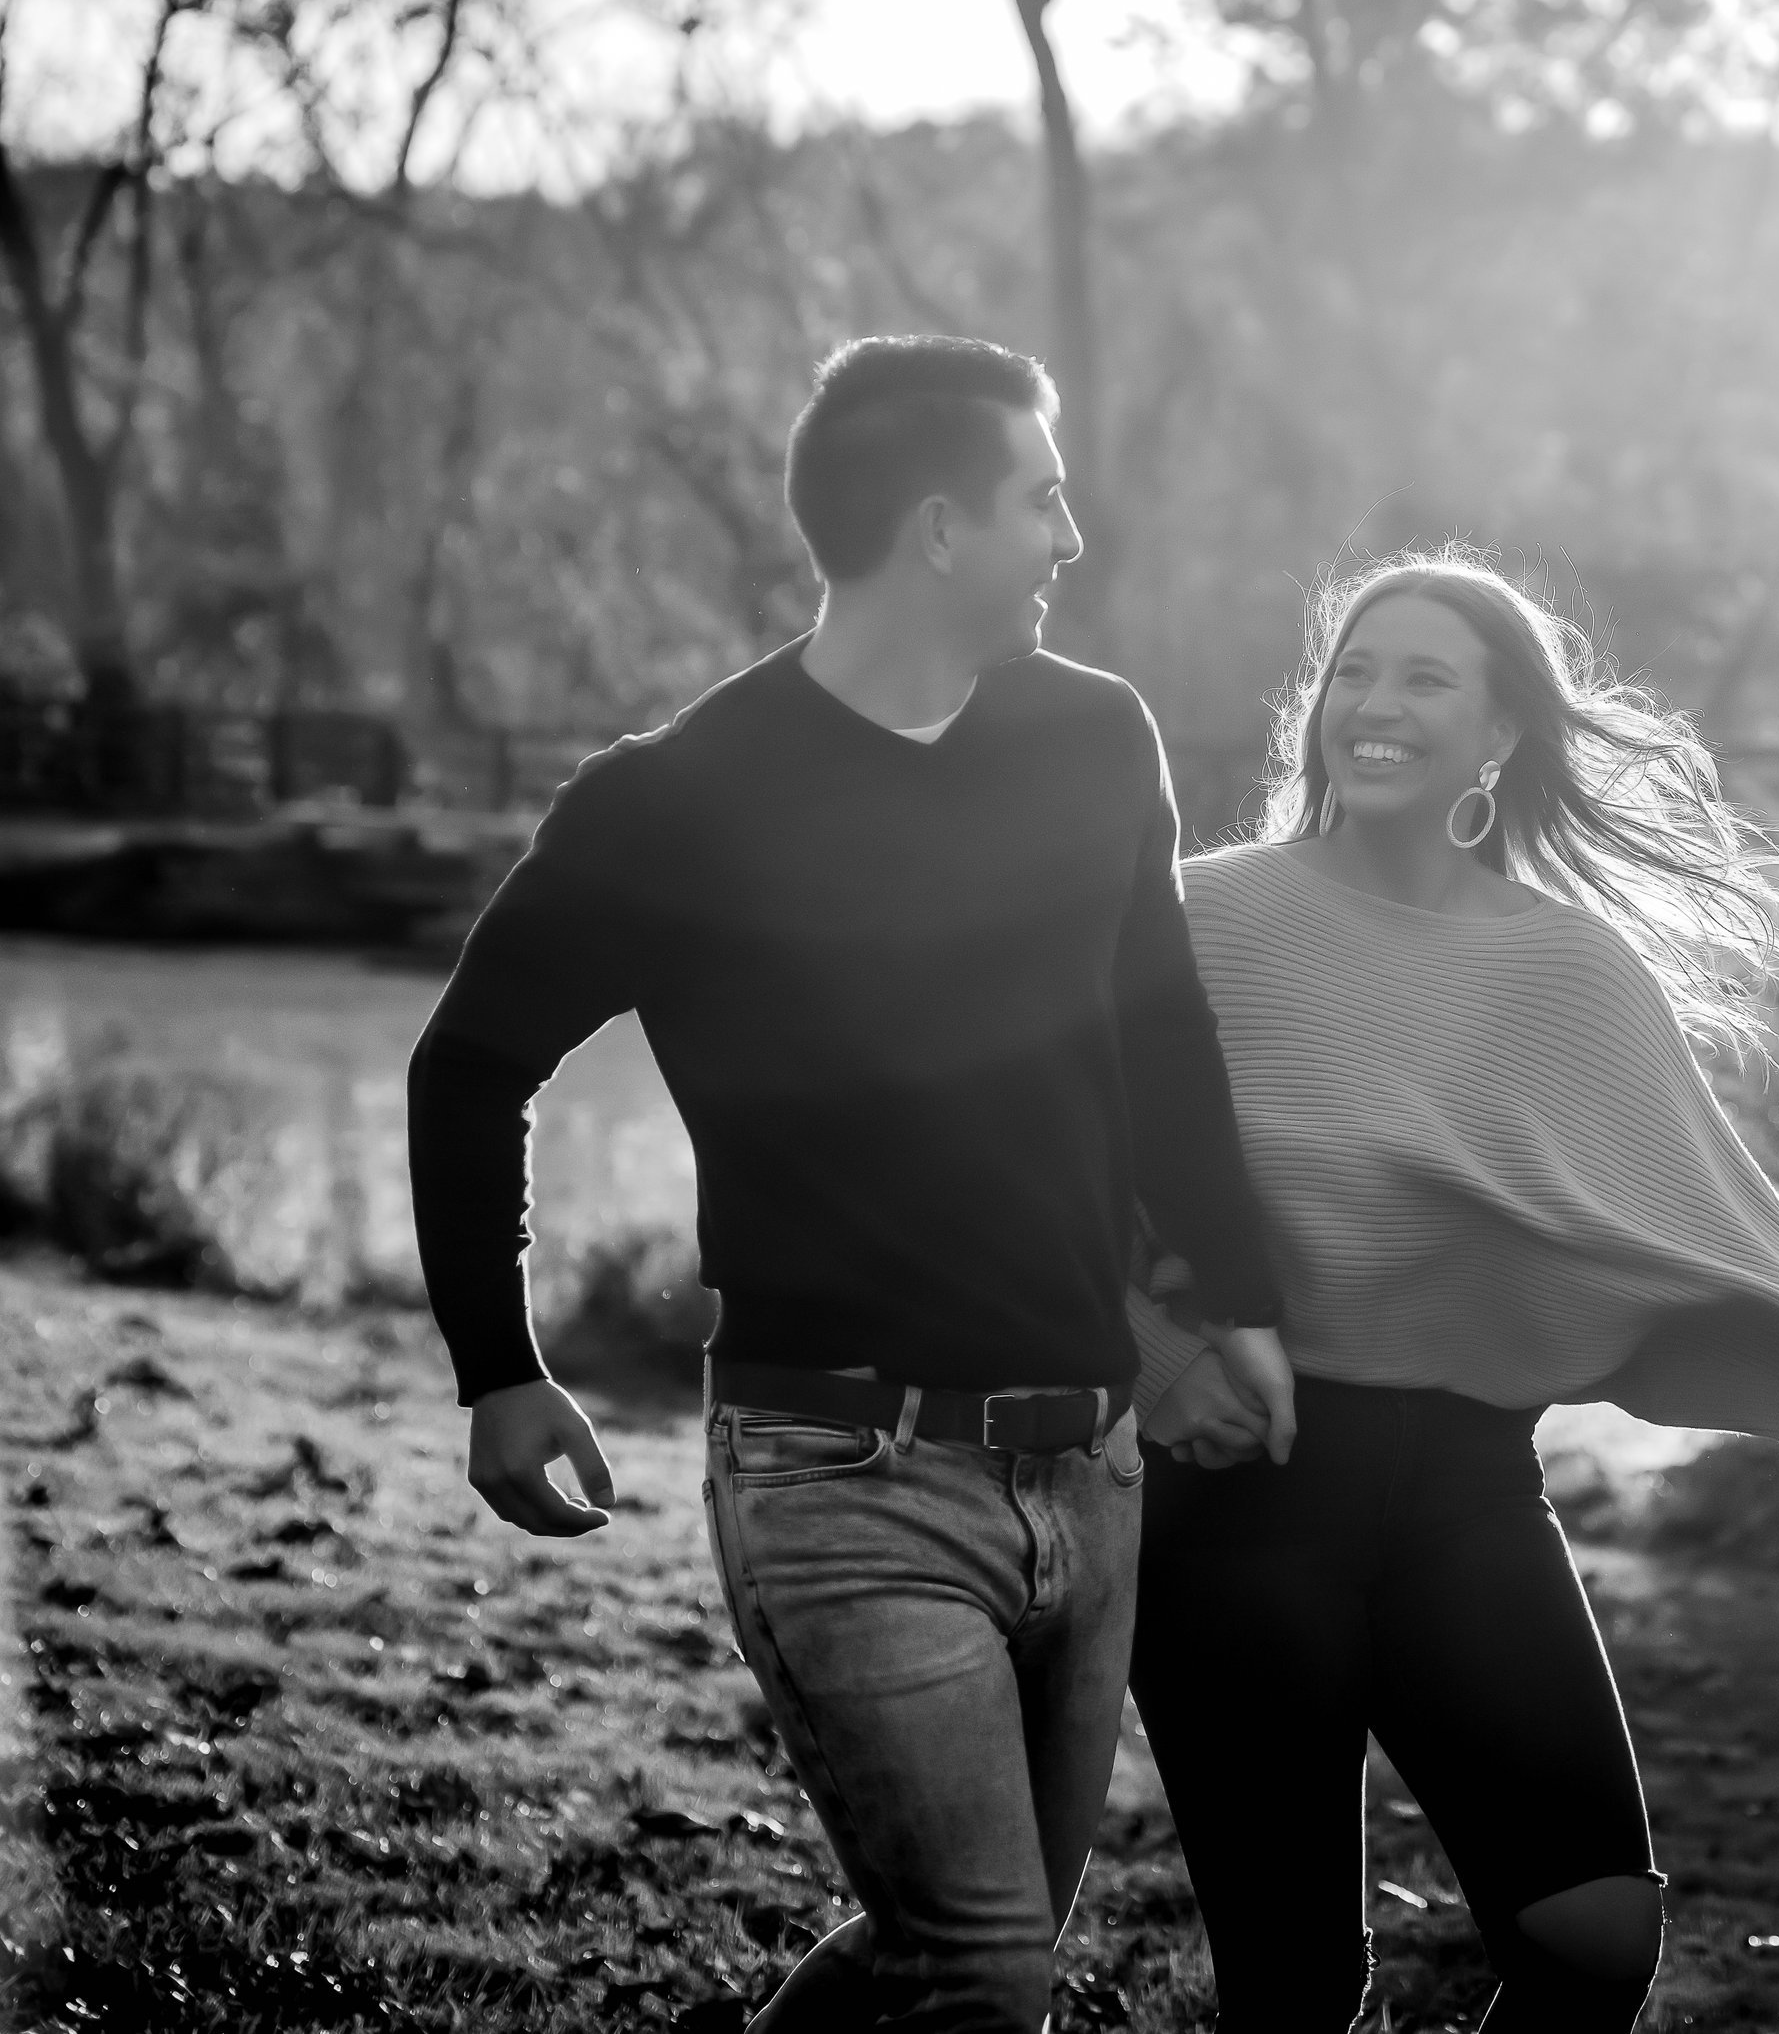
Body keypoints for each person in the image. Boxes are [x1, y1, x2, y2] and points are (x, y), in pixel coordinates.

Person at [406, 335, 1295, 2034]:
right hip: (839, 1466)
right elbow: (469, 1065)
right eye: (1046, 496)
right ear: (942, 527)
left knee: (967, 1951)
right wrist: (498, 1366)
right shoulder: (677, 799)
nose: (1071, 537)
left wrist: (1233, 1298)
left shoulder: (1098, 738)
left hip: (1086, 1463)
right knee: (979, 1967)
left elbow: (1161, 1034)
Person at [1127, 553, 1779, 2033]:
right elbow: (1062, 1177)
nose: (1376, 702)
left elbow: (1721, 1234)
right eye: (1356, 670)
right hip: (1242, 1508)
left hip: (1469, 1504)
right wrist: (1161, 1358)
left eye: (1426, 677)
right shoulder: (1193, 918)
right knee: (1295, 1985)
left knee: (1596, 1941)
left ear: (1499, 736)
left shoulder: (1567, 968)